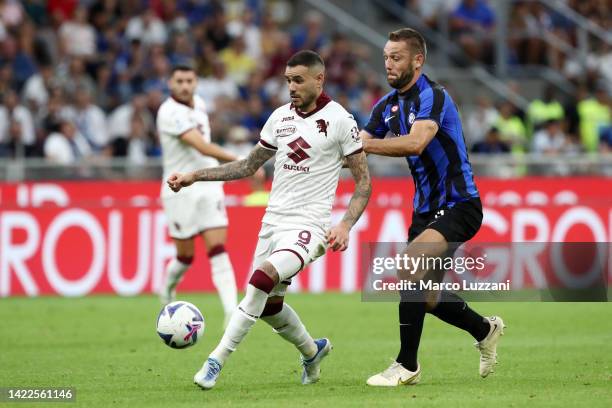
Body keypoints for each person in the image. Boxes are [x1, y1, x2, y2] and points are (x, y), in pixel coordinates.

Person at [167, 50, 370, 389]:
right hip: (273, 223)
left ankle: (215, 361)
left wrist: (345, 225)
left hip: (310, 227)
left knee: (261, 280)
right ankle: (312, 350)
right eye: (288, 80)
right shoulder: (279, 118)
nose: (291, 86)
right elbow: (247, 166)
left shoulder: (340, 120)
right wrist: (195, 175)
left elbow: (364, 181)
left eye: (298, 80)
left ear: (319, 80)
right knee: (271, 307)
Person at [360, 28, 505, 386]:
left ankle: (406, 365)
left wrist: (363, 147)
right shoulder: (385, 106)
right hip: (425, 211)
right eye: (385, 57)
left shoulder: (433, 96)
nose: (388, 64)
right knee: (423, 294)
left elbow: (416, 143)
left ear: (417, 60)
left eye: (396, 57)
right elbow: (358, 144)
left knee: (408, 267)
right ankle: (484, 329)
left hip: (460, 204)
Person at [156, 65, 239, 329]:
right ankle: (167, 291)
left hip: (208, 183)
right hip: (178, 187)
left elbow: (204, 150)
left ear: (196, 83)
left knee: (217, 248)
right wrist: (242, 160)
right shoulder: (169, 112)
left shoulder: (200, 105)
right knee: (185, 256)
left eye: (189, 80)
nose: (184, 85)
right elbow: (200, 145)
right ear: (170, 83)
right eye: (179, 80)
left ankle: (231, 312)